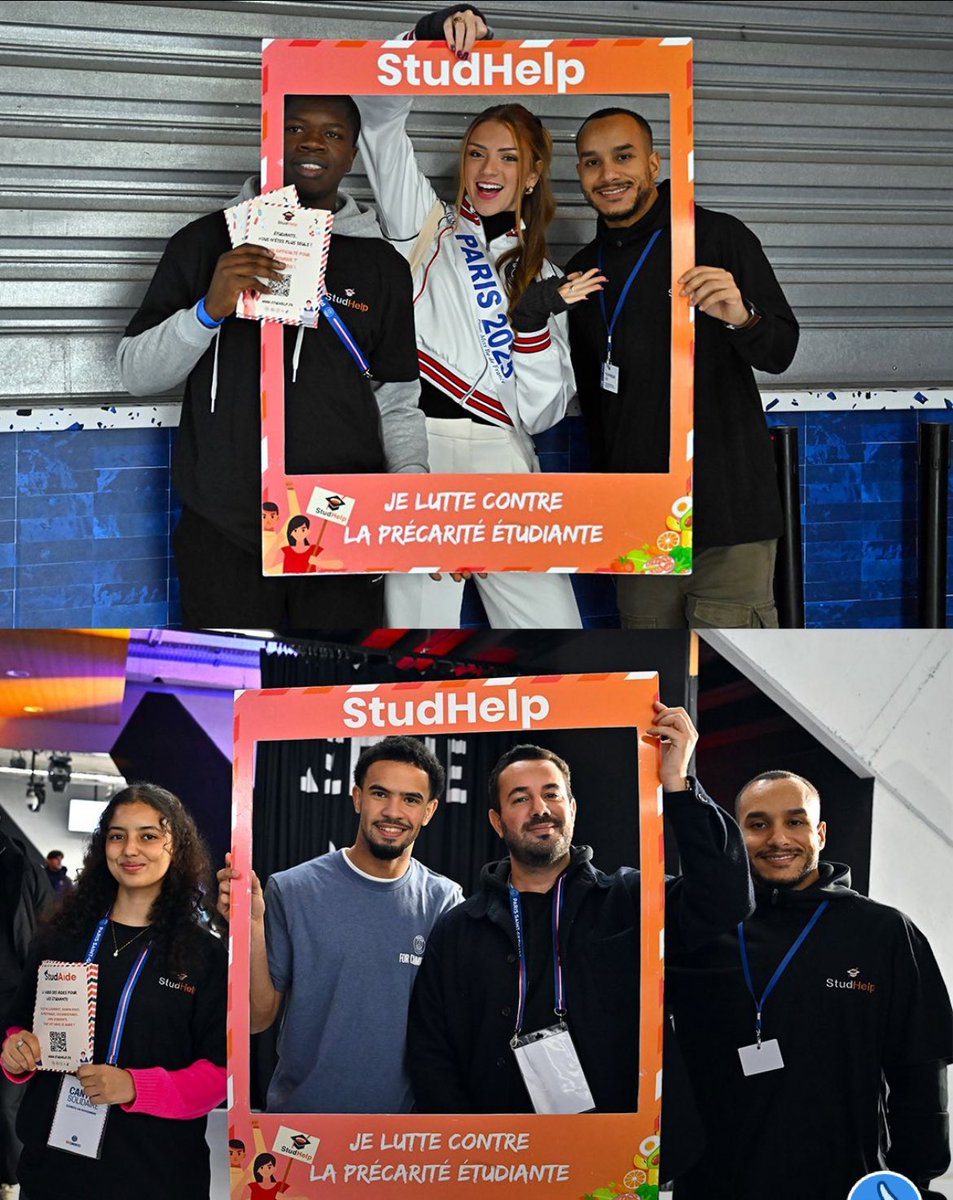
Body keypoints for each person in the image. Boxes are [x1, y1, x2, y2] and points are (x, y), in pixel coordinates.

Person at [117, 94, 425, 631]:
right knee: (232, 697)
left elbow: (397, 401)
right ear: (268, 141)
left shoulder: (382, 265)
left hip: (338, 522)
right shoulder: (204, 242)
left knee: (333, 693)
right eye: (296, 128)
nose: (312, 142)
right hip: (225, 527)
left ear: (352, 153)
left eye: (332, 134)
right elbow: (136, 374)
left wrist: (406, 495)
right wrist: (209, 310)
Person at [406, 704, 753, 1154]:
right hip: (498, 1160)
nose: (540, 809)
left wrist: (679, 784)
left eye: (552, 794)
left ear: (572, 807)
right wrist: (468, 1148)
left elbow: (726, 899)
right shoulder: (458, 928)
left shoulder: (632, 898)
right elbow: (431, 1050)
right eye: (520, 798)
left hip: (618, 1158)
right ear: (497, 821)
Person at [355, 6, 605, 629]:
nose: (489, 170)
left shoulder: (549, 279)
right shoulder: (423, 224)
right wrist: (426, 35)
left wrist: (529, 325)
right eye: (476, 153)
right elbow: (379, 119)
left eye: (509, 158)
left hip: (506, 461)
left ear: (533, 173)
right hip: (418, 456)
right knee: (413, 639)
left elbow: (544, 413)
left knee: (556, 637)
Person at [668, 770, 953, 1200]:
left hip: (843, 1184)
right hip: (714, 1185)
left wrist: (912, 1183)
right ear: (736, 835)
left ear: (820, 833)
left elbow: (919, 1073)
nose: (778, 838)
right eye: (758, 824)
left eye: (795, 822)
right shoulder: (700, 930)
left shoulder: (884, 932)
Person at [566, 107, 799, 629]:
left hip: (729, 518)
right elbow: (597, 408)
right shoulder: (581, 272)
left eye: (623, 156)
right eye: (592, 162)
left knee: (734, 680)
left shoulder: (715, 238)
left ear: (653, 164)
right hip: (642, 522)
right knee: (655, 685)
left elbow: (781, 350)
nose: (608, 175)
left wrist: (744, 317)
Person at [0, 784, 227, 1200]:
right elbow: (18, 1024)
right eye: (117, 835)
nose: (130, 850)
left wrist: (136, 1087)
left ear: (175, 846)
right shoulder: (60, 936)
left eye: (148, 835)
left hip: (155, 1172)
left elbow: (217, 1075)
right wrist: (17, 1051)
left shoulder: (204, 954)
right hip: (54, 1169)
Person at [218, 736, 463, 1113]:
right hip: (299, 1130)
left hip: (399, 1139)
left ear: (429, 811)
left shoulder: (444, 902)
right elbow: (256, 1019)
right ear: (357, 798)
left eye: (410, 800)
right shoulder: (292, 889)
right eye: (380, 794)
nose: (393, 812)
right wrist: (250, 927)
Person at [0, 832, 51, 1200]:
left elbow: (47, 936)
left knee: (9, 1099)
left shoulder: (25, 869)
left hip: (15, 999)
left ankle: (11, 1178)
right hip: (16, 992)